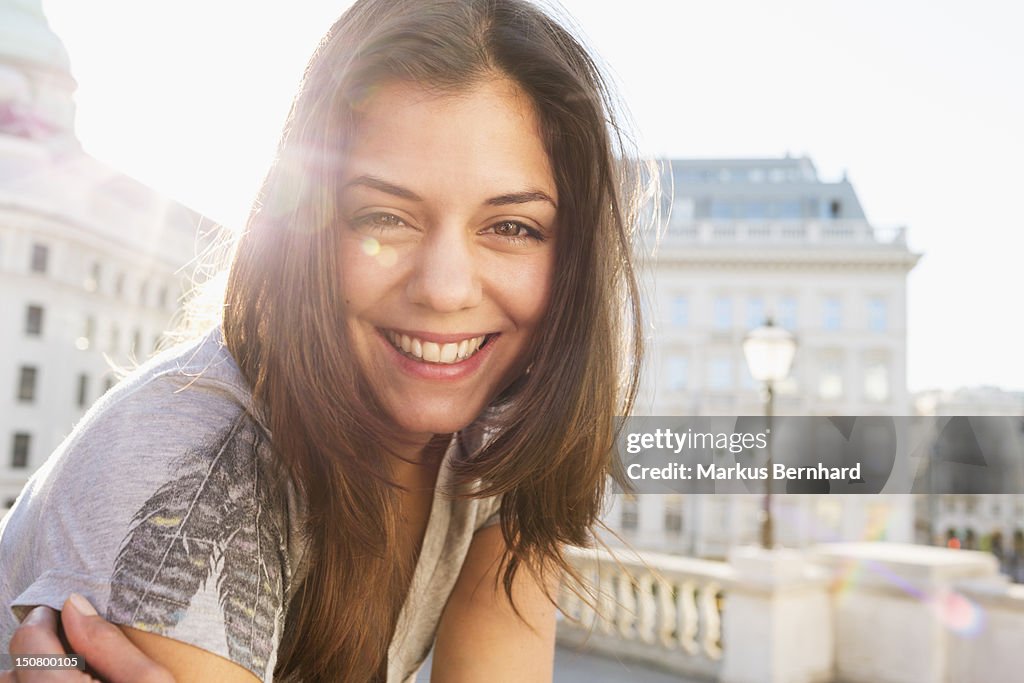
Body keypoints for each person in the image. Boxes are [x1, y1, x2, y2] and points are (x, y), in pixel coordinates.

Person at [0, 0, 645, 680]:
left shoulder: (504, 445)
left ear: (570, 259)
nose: (446, 288)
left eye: (512, 226)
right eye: (386, 216)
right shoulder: (197, 481)